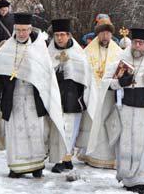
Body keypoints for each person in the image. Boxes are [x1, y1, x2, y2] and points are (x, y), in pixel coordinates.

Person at [0, 13, 67, 178]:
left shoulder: (39, 49)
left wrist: (48, 100)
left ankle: (37, 166)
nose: (21, 33)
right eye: (18, 30)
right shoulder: (6, 48)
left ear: (30, 30)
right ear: (14, 29)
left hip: (33, 100)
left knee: (36, 133)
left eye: (24, 30)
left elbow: (47, 77)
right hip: (12, 99)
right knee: (15, 134)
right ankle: (16, 168)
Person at [97, 28, 144, 194]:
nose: (138, 46)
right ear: (131, 43)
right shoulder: (121, 59)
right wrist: (119, 83)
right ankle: (127, 179)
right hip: (125, 110)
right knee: (124, 146)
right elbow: (105, 84)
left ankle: (142, 181)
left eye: (141, 43)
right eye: (135, 42)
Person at [47, 19, 97, 173]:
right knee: (57, 129)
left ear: (69, 35)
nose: (59, 38)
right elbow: (44, 75)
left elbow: (86, 77)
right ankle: (65, 159)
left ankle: (64, 159)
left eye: (62, 35)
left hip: (73, 99)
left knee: (70, 130)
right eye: (57, 35)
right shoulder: (49, 53)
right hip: (55, 98)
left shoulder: (77, 54)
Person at [76, 18, 123, 169]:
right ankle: (91, 155)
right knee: (93, 122)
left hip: (109, 95)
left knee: (106, 123)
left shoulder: (118, 52)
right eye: (102, 33)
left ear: (111, 35)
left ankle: (109, 157)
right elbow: (82, 70)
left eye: (108, 33)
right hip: (93, 92)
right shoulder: (88, 51)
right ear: (98, 34)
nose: (105, 36)